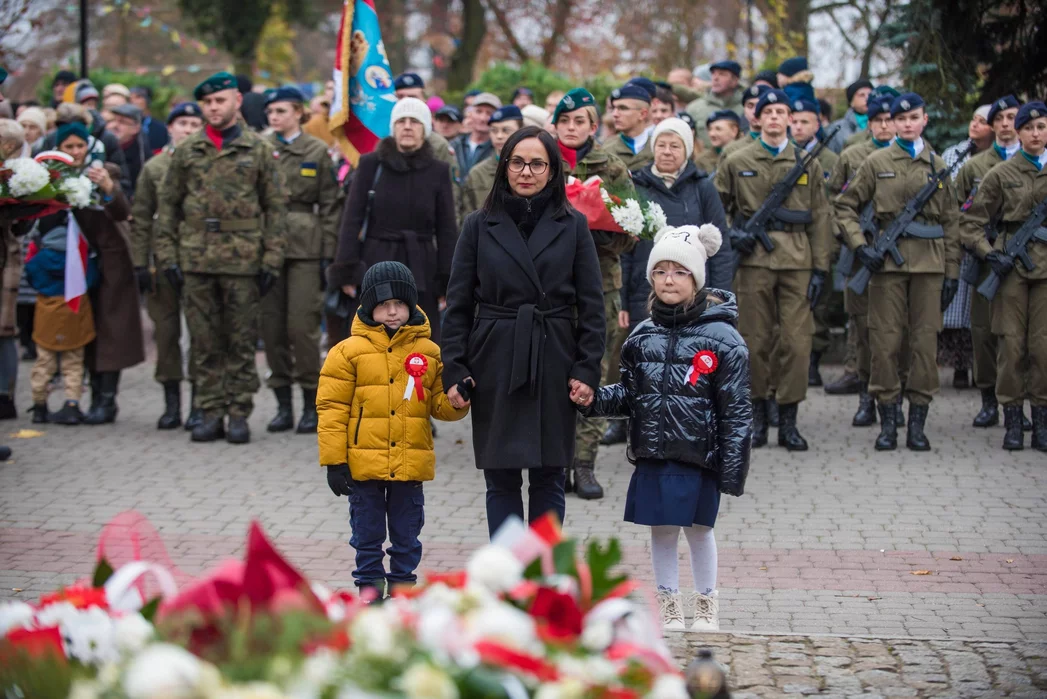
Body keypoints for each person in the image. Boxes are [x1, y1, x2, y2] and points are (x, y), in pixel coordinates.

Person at [579, 223, 751, 632]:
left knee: (698, 529)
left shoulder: (724, 340)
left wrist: (732, 469)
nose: (669, 279)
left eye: (680, 271)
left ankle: (706, 603)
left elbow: (737, 411)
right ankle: (668, 604)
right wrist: (592, 399)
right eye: (661, 271)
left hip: (698, 456)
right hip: (654, 452)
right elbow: (630, 394)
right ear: (651, 279)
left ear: (696, 278)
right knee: (661, 531)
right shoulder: (641, 336)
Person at [441, 126, 606, 536]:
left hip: (554, 355)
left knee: (551, 473)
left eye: (537, 163)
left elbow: (591, 306)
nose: (526, 172)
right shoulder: (479, 225)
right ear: (504, 166)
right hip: (495, 355)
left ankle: (543, 572)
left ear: (552, 171)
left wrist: (587, 369)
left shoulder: (574, 226)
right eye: (517, 162)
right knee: (501, 475)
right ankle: (508, 570)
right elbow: (458, 303)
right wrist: (454, 367)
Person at [318, 261, 467, 598]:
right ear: (369, 307)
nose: (392, 312)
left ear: (412, 305)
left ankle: (402, 591)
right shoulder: (346, 352)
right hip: (362, 467)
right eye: (384, 305)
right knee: (366, 533)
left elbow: (438, 405)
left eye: (399, 304)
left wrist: (458, 401)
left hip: (408, 462)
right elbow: (331, 410)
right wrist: (334, 461)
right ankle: (370, 592)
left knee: (407, 532)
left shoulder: (428, 352)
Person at [155, 72, 288, 444]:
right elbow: (168, 207)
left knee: (241, 340)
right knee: (203, 341)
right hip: (195, 258)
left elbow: (276, 208)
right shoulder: (187, 151)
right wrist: (167, 257)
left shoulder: (257, 149)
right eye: (208, 103)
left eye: (220, 101)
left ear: (236, 102)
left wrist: (271, 260)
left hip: (243, 261)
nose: (214, 108)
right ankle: (209, 411)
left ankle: (239, 412)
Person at [835, 93, 963, 451]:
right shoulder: (876, 162)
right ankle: (888, 421)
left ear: (924, 120)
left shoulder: (938, 165)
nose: (907, 123)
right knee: (885, 342)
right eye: (900, 118)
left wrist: (952, 272)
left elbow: (952, 222)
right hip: (886, 266)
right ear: (890, 122)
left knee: (924, 344)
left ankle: (917, 424)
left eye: (914, 117)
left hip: (929, 266)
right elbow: (845, 206)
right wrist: (861, 247)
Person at [715, 88, 833, 451]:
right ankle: (758, 416)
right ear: (757, 118)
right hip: (753, 264)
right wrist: (734, 236)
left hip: (797, 261)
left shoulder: (806, 161)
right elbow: (716, 210)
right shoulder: (736, 159)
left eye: (783, 112)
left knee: (797, 343)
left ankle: (789, 419)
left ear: (790, 120)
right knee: (753, 340)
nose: (776, 118)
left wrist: (821, 269)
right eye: (769, 112)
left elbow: (822, 216)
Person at [606, 118, 734, 447]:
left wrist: (718, 295)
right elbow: (625, 244)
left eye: (674, 145)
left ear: (687, 150)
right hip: (643, 285)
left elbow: (719, 246)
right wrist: (621, 295)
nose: (666, 151)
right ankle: (624, 420)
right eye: (661, 144)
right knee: (636, 355)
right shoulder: (638, 185)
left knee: (684, 358)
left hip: (691, 289)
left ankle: (680, 426)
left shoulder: (702, 186)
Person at [553, 88, 637, 499]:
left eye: (579, 122)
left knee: (593, 369)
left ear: (593, 127)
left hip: (599, 285)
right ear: (555, 126)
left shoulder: (612, 166)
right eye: (564, 121)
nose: (571, 128)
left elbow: (634, 229)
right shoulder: (537, 161)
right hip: (548, 288)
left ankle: (584, 464)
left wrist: (599, 234)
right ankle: (554, 460)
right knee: (550, 371)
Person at [327, 98, 456, 347]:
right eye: (401, 121)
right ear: (393, 127)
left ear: (425, 129)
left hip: (422, 267)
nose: (407, 127)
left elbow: (447, 228)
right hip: (375, 261)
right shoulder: (370, 164)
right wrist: (346, 270)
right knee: (370, 340)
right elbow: (352, 219)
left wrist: (446, 281)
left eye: (415, 122)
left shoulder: (438, 170)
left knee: (420, 341)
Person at [959, 101, 1047, 451]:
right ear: (1018, 133)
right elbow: (970, 223)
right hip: (1011, 270)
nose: (1036, 134)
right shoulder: (1002, 174)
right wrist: (990, 254)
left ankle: (1041, 421)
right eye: (1029, 128)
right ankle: (1012, 419)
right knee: (1011, 345)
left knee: (1043, 347)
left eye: (1042, 127)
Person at [52, 122, 147, 424]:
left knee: (111, 331)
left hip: (110, 262)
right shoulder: (51, 177)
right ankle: (75, 397)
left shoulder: (105, 171)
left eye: (80, 146)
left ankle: (106, 400)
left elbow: (121, 211)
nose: (76, 152)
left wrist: (108, 188)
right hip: (73, 263)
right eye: (69, 147)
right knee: (81, 328)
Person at [261, 87, 341, 435]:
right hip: (267, 246)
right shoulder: (262, 149)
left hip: (306, 249)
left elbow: (331, 204)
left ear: (297, 112)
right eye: (270, 112)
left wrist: (328, 253)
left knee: (302, 328)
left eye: (280, 111)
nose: (273, 117)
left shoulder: (315, 150)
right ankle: (282, 405)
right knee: (272, 328)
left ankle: (312, 404)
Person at [824, 94, 903, 425]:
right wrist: (851, 239)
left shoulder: (908, 157)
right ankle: (866, 398)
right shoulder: (852, 155)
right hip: (860, 253)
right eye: (878, 120)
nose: (884, 125)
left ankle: (893, 400)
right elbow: (834, 202)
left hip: (897, 256)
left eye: (890, 119)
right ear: (869, 124)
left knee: (898, 330)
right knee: (863, 328)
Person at [954, 95, 1029, 431]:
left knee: (1021, 335)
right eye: (997, 118)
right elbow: (957, 213)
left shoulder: (1034, 162)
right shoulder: (974, 166)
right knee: (984, 333)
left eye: (1011, 117)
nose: (1004, 124)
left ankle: (1021, 401)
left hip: (1025, 259)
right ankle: (988, 401)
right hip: (986, 261)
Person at [131, 102, 204, 431]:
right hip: (162, 262)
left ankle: (200, 403)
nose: (187, 130)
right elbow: (142, 218)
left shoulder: (206, 165)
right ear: (170, 128)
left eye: (194, 124)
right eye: (182, 123)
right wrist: (140, 263)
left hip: (199, 261)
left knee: (201, 335)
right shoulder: (154, 167)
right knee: (166, 333)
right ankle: (171, 402)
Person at [24, 207, 101, 425]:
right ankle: (72, 404)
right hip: (74, 310)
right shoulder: (79, 255)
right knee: (74, 361)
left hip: (46, 312)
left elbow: (31, 275)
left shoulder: (40, 257)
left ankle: (39, 405)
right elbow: (91, 279)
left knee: (44, 360)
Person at [462, 105, 522, 216]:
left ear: (520, 131)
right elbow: (468, 215)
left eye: (506, 130)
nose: (499, 136)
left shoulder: (530, 169)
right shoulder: (478, 173)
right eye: (494, 131)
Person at [686, 61, 745, 147]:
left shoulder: (746, 107)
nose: (715, 78)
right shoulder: (694, 108)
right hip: (704, 159)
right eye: (713, 74)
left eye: (722, 74)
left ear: (734, 81)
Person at [603, 83, 655, 172]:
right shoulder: (605, 149)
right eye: (613, 108)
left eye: (623, 108)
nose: (615, 114)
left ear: (642, 114)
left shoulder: (658, 147)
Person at [453, 92, 500, 179]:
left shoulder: (498, 150)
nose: (482, 118)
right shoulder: (455, 144)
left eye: (489, 113)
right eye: (478, 111)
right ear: (470, 113)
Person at [718, 84, 770, 164]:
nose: (755, 111)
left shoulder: (786, 147)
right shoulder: (731, 150)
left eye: (760, 105)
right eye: (750, 106)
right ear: (744, 111)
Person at [107, 103, 151, 197]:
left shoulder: (142, 154)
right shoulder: (104, 145)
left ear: (135, 128)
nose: (114, 125)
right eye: (113, 120)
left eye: (122, 122)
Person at [826, 79, 873, 154]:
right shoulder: (836, 128)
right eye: (861, 95)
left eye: (870, 95)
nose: (867, 98)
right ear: (851, 101)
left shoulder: (883, 123)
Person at [697, 110, 740, 175]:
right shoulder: (702, 160)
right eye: (709, 129)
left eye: (718, 129)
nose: (712, 134)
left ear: (734, 131)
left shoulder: (748, 155)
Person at [129, 86, 170, 154]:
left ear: (148, 101)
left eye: (138, 97)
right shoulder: (124, 126)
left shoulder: (160, 128)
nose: (133, 101)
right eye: (130, 98)